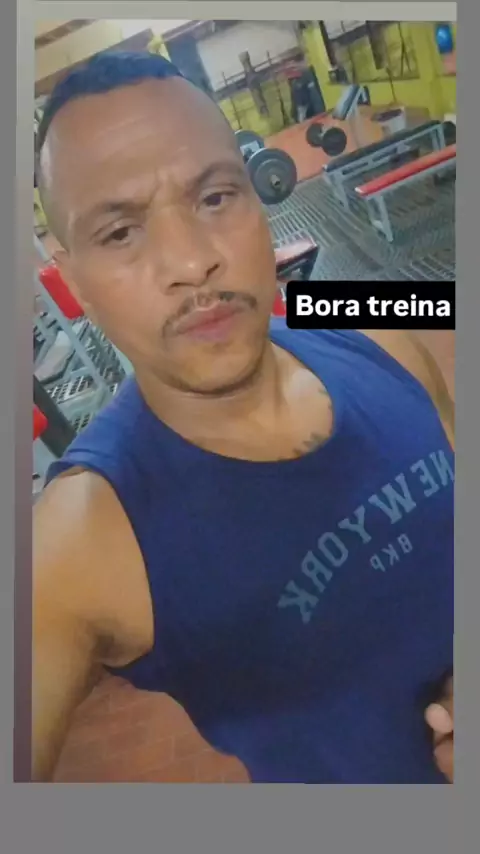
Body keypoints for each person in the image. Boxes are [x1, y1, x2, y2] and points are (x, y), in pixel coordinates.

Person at [33, 52, 454, 784]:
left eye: (215, 196)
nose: (191, 262)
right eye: (120, 233)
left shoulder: (379, 333)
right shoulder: (85, 535)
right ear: (75, 284)